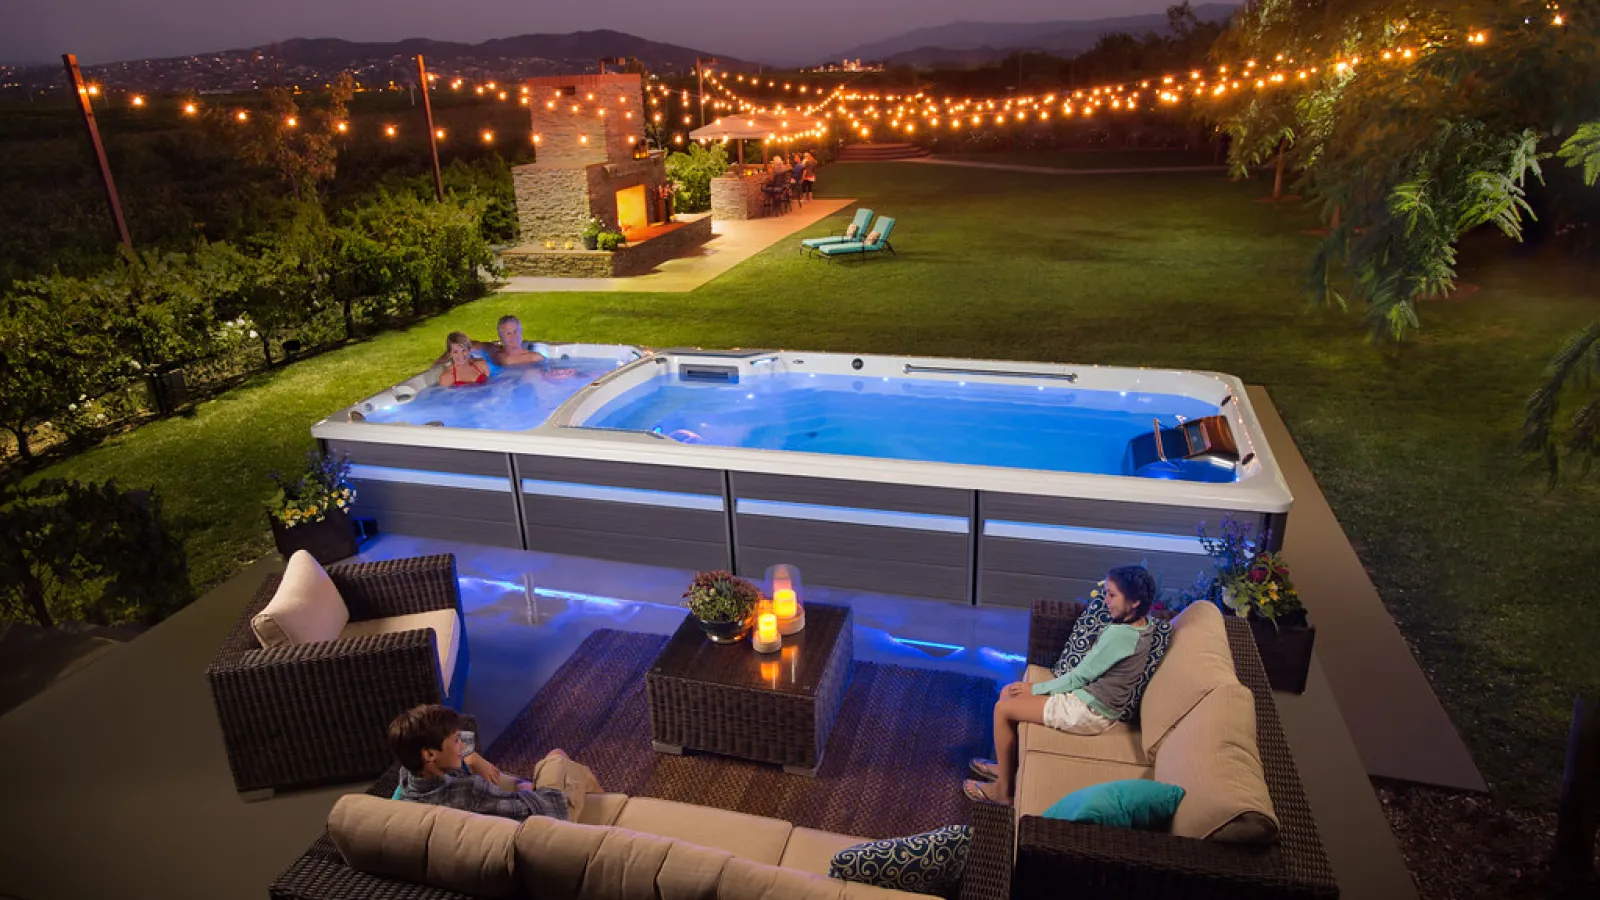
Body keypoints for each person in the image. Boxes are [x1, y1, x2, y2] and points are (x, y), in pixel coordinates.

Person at [964, 565, 1162, 804]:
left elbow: (1079, 677)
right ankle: (1006, 768)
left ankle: (1003, 791)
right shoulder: (1145, 626)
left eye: (1112, 595)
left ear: (1134, 602)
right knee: (1008, 692)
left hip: (1089, 711)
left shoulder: (1120, 636)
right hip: (1095, 702)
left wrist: (1035, 688)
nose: (1105, 601)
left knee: (1003, 709)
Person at [387, 704, 601, 822]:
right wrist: (527, 792)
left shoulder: (408, 776)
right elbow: (545, 809)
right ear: (429, 754)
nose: (463, 744)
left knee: (568, 776)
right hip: (548, 821)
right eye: (456, 740)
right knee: (559, 758)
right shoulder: (470, 791)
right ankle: (606, 822)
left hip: (494, 807)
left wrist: (472, 758)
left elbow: (461, 745)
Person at [437, 316, 547, 368]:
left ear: (521, 331)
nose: (513, 336)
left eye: (516, 331)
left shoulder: (534, 358)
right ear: (500, 336)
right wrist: (442, 359)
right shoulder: (493, 351)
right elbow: (465, 344)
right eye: (508, 333)